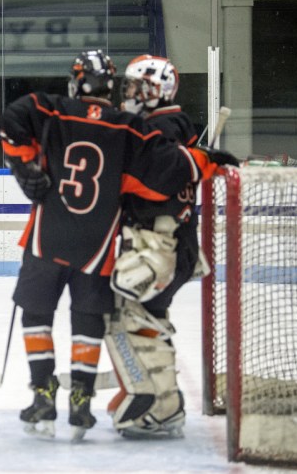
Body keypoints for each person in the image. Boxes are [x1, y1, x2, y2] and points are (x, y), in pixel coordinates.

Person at [0, 50, 238, 441]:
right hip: (103, 247)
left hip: (94, 240)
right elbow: (167, 171)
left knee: (120, 319)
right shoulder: (130, 128)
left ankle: (152, 403)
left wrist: (22, 165)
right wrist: (204, 160)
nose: (129, 91)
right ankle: (86, 399)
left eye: (136, 84)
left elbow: (13, 117)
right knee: (103, 319)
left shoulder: (57, 111)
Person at [106, 55, 204, 437]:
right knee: (148, 320)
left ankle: (162, 406)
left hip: (161, 246)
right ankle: (158, 397)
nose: (127, 93)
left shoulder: (161, 130)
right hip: (166, 246)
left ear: (154, 89)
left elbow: (153, 185)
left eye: (133, 86)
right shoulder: (167, 126)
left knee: (134, 321)